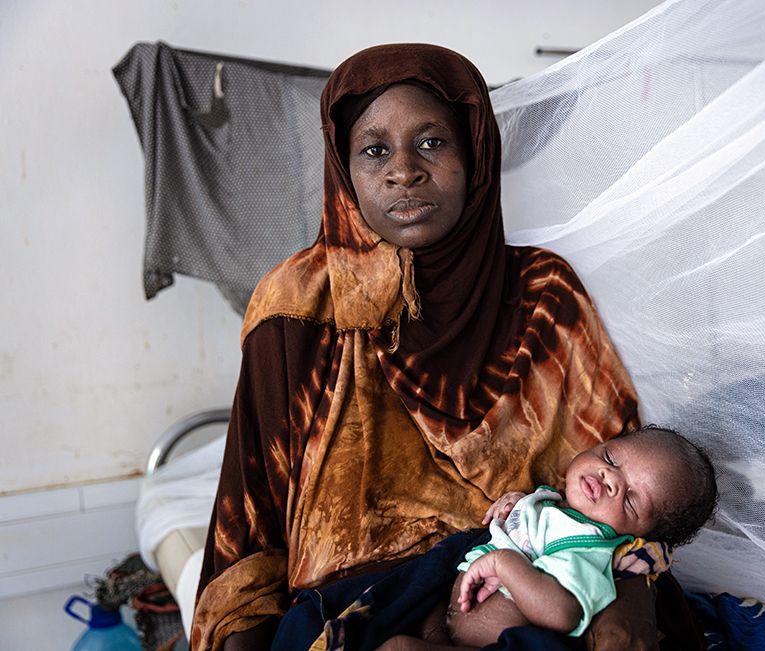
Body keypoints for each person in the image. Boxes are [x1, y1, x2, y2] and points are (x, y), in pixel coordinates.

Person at [192, 43, 704, 650]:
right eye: (374, 150)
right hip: (355, 601)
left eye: (432, 142)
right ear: (343, 168)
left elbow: (630, 492)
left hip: (527, 598)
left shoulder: (544, 294)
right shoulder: (298, 306)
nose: (402, 170)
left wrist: (627, 610)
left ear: (475, 154)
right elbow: (250, 528)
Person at [379, 426, 717, 650]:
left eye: (630, 499)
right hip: (449, 620)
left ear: (640, 536)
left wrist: (504, 562)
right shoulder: (555, 503)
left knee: (398, 647)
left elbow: (562, 613)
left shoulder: (590, 548)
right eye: (611, 458)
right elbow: (531, 527)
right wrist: (517, 504)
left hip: (490, 644)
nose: (610, 477)